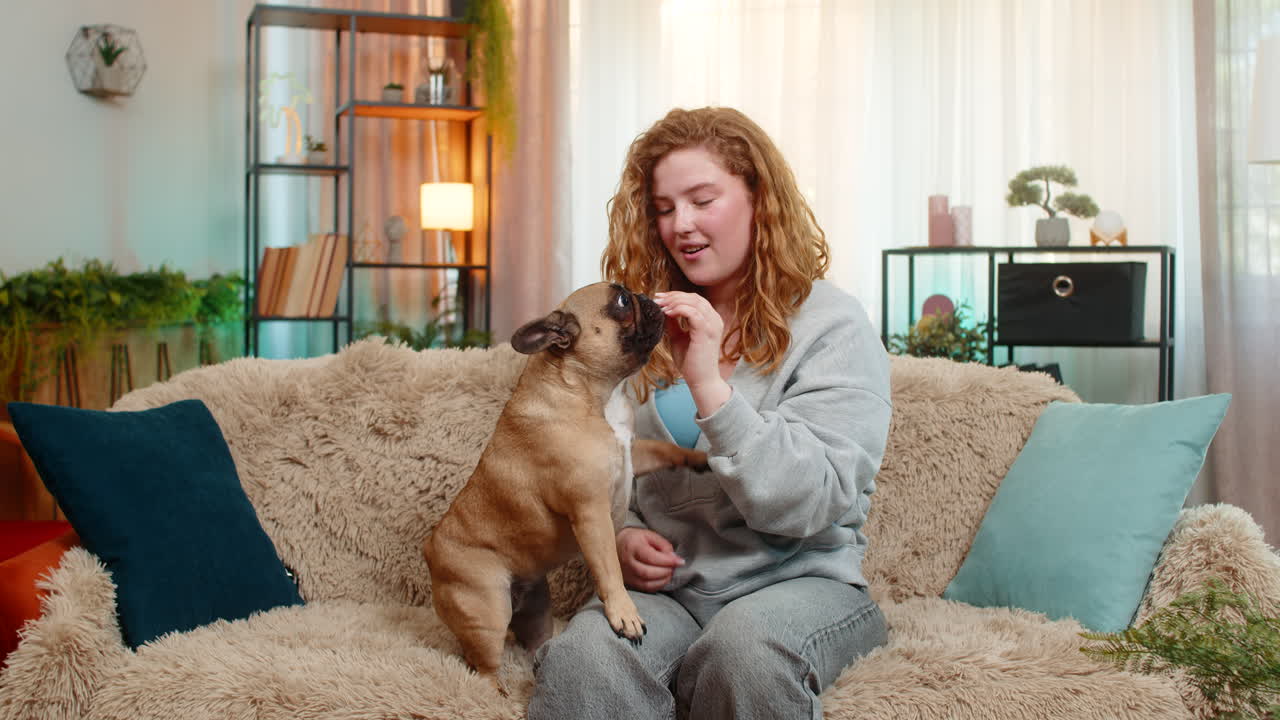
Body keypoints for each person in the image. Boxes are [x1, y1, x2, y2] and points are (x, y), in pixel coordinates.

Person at [528, 106, 892, 720]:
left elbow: (810, 501)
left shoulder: (832, 326)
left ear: (759, 198)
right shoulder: (640, 332)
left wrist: (709, 387)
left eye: (702, 200)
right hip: (673, 593)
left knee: (744, 652)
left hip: (801, 585)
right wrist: (622, 535)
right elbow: (609, 462)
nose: (681, 226)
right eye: (665, 209)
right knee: (586, 656)